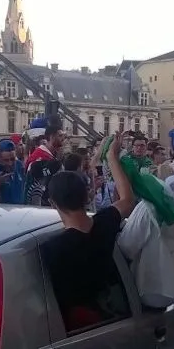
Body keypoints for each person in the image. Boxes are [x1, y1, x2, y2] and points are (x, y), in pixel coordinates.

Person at [41, 131, 136, 331]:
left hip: (71, 331)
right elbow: (127, 200)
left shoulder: (51, 248)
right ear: (86, 197)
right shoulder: (104, 225)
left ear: (52, 203)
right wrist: (112, 158)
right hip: (107, 320)